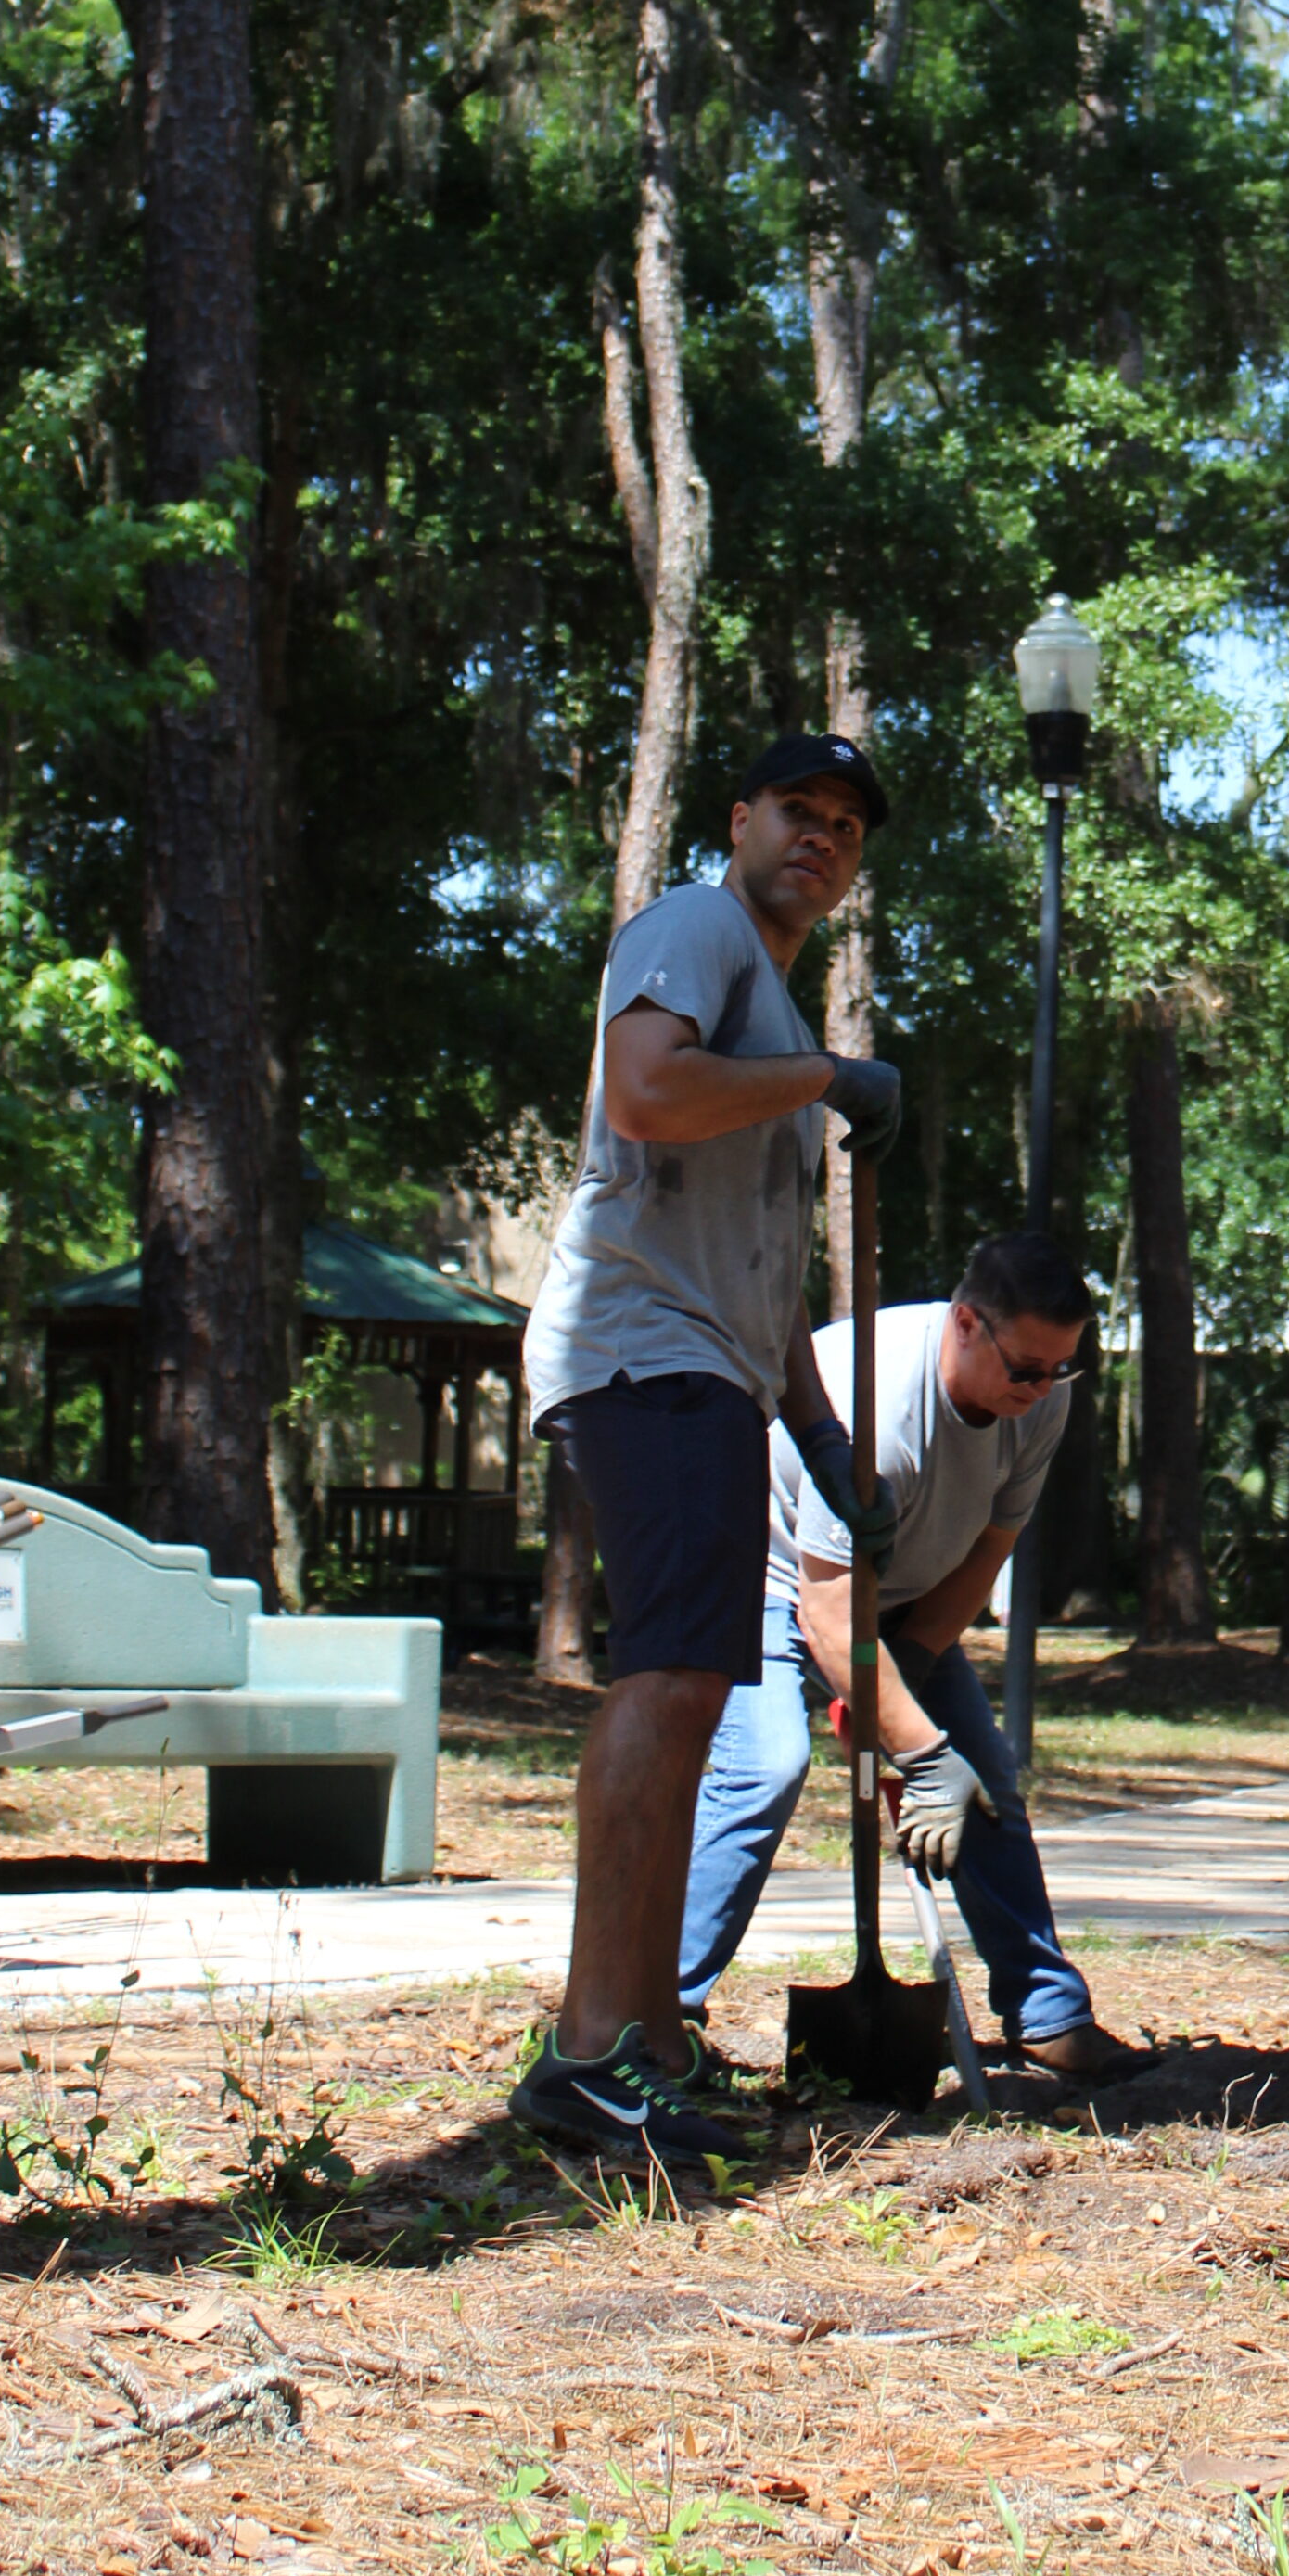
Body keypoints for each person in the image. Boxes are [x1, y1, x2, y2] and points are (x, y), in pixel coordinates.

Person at [513, 733, 909, 2168]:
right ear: (739, 819)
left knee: (693, 1692)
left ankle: (649, 2042)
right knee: (672, 1682)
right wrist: (826, 1074)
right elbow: (645, 1092)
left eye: (846, 826)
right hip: (642, 1350)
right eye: (799, 809)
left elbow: (762, 1277)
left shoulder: (768, 1001)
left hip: (712, 1369)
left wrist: (823, 1435)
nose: (821, 836)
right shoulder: (698, 925)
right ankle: (590, 2054)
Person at [677, 1236, 1155, 2086]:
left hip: (896, 1596)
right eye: (1026, 1369)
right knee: (765, 1766)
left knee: (987, 1780)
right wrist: (924, 1756)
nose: (1041, 1390)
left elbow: (990, 1547)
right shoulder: (879, 1408)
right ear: (965, 1323)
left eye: (1060, 1371)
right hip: (763, 1575)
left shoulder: (1039, 1398)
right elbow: (827, 1616)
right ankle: (658, 2011)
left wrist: (908, 1672)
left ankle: (1048, 2014)